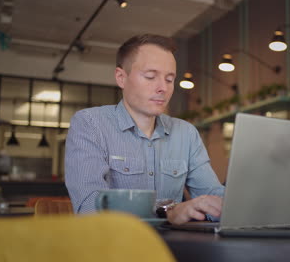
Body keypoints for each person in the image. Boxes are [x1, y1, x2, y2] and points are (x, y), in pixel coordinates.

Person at [65, 34, 224, 225]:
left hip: (176, 250)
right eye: (150, 76)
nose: (162, 88)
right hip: (115, 248)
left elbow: (213, 197)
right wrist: (168, 211)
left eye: (169, 79)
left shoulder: (186, 133)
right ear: (121, 78)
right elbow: (90, 209)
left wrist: (229, 203)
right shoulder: (90, 124)